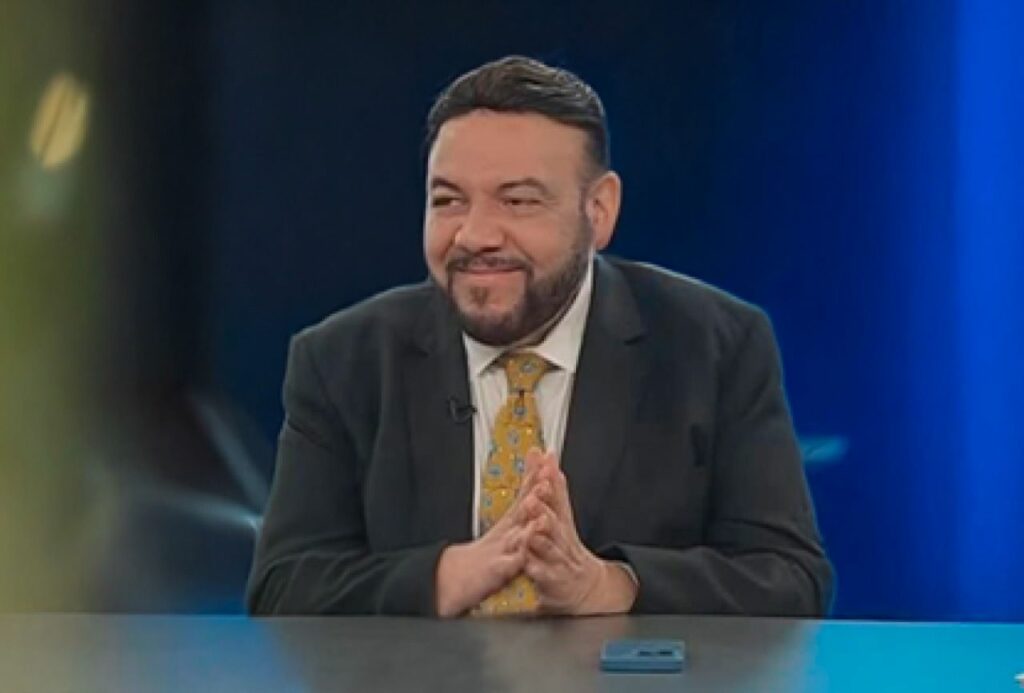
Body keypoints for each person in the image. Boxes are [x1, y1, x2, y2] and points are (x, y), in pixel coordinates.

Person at [246, 55, 833, 618]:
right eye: (448, 200)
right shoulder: (341, 361)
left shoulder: (715, 347)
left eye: (518, 201)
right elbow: (283, 584)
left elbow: (788, 577)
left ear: (598, 210)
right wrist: (447, 576)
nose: (474, 235)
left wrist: (611, 585)